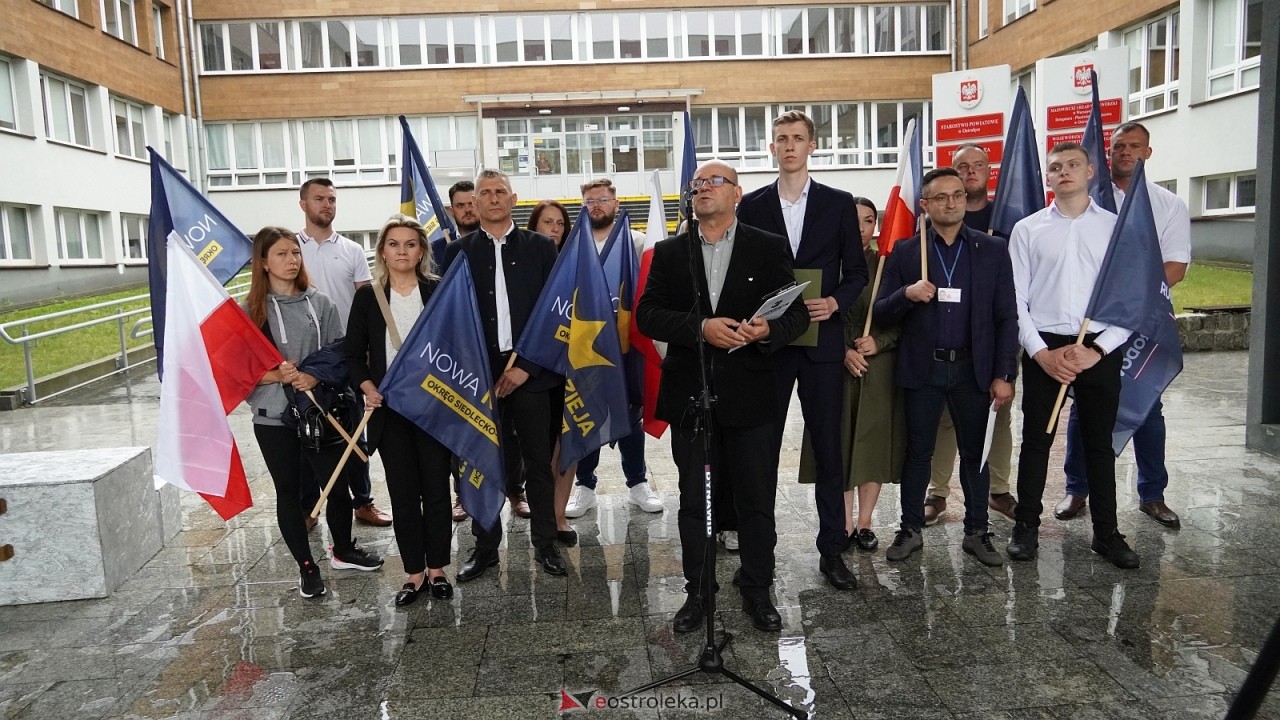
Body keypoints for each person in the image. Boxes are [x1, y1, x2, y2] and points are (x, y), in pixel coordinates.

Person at [636, 160, 809, 633]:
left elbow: (797, 316)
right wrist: (700, 327)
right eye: (697, 184)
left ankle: (757, 588)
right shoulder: (671, 252)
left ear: (737, 193)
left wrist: (767, 330)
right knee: (695, 502)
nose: (703, 188)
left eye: (715, 181)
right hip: (691, 396)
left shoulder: (767, 245)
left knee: (755, 499)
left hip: (752, 395)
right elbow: (647, 315)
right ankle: (698, 592)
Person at [737, 110, 868, 592]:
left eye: (797, 138)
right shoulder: (752, 205)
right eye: (781, 138)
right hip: (768, 345)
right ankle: (757, 557)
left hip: (821, 343)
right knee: (760, 453)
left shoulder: (838, 203)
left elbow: (857, 271)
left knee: (829, 451)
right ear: (771, 147)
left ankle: (833, 550)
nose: (789, 145)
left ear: (812, 146)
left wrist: (835, 302)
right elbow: (741, 273)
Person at [871, 168, 1017, 567]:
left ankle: (977, 532)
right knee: (918, 453)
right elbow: (881, 312)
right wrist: (906, 293)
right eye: (941, 197)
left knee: (975, 455)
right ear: (924, 205)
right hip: (924, 368)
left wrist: (1004, 374)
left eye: (957, 195)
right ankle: (910, 529)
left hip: (974, 369)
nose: (951, 203)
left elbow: (1006, 316)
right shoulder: (906, 252)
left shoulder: (991, 249)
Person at [1007, 142, 1139, 569]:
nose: (1064, 172)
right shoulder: (1027, 229)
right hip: (1045, 345)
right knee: (1036, 441)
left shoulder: (1115, 228)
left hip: (1096, 347)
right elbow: (1015, 299)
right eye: (1055, 167)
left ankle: (1107, 533)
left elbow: (1130, 300)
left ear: (1090, 172)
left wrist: (1098, 350)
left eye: (1073, 165)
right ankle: (1026, 526)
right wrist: (1040, 353)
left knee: (1099, 445)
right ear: (1047, 176)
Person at [1054, 122, 1192, 529]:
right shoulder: (1090, 199)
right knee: (1083, 402)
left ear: (1148, 153)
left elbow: (1176, 266)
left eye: (1135, 146)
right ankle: (1077, 488)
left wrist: (1130, 296)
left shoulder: (1167, 204)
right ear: (1107, 153)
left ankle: (1153, 494)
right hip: (1092, 320)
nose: (1126, 152)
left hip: (1143, 319)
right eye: (1118, 146)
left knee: (1147, 401)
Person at [244, 226, 383, 599]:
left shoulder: (320, 302)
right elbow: (239, 370)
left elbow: (342, 351)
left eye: (295, 253)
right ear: (263, 262)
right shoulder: (251, 313)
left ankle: (344, 550)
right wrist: (276, 375)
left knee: (336, 485)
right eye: (281, 254)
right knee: (289, 491)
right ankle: (307, 567)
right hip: (274, 418)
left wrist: (313, 374)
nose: (291, 260)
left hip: (322, 412)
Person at [443, 169, 565, 580]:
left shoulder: (541, 247)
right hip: (478, 376)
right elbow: (450, 319)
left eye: (500, 192)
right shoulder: (457, 253)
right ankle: (485, 548)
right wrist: (470, 371)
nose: (493, 198)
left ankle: (545, 544)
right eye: (485, 193)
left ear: (513, 200)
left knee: (538, 462)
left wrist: (526, 368)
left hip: (532, 372)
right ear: (474, 202)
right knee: (481, 463)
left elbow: (555, 313)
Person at [345, 215, 453, 607]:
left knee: (437, 491)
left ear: (421, 251)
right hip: (391, 413)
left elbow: (457, 346)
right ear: (383, 252)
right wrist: (368, 387)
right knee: (404, 494)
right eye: (394, 244)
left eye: (410, 243)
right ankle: (414, 573)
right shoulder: (367, 298)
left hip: (434, 410)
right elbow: (353, 355)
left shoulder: (438, 291)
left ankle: (438, 569)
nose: (402, 251)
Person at [798, 197, 904, 551]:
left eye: (869, 220)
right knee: (837, 443)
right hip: (833, 363)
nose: (861, 228)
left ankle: (865, 523)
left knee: (872, 442)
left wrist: (879, 341)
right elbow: (811, 314)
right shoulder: (828, 263)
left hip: (877, 365)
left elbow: (905, 318)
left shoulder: (887, 264)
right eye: (854, 219)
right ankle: (841, 523)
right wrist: (842, 350)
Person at [925, 144, 1018, 524]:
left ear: (989, 171)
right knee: (944, 421)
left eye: (978, 165)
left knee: (998, 416)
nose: (970, 171)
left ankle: (998, 489)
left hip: (991, 339)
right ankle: (938, 492)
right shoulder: (934, 223)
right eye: (962, 167)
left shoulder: (1007, 218)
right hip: (947, 342)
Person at [563, 178, 663, 519]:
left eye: (603, 199)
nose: (596, 205)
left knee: (631, 412)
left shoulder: (637, 242)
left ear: (616, 204)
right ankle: (585, 486)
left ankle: (638, 483)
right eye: (589, 200)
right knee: (586, 412)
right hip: (587, 346)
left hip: (627, 343)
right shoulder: (574, 245)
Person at [297, 178, 393, 529]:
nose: (327, 204)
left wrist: (366, 351)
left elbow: (368, 304)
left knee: (355, 431)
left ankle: (363, 502)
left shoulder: (352, 251)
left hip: (345, 355)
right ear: (303, 204)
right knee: (308, 431)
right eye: (319, 198)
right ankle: (309, 506)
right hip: (305, 356)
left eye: (332, 199)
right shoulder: (291, 249)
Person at [526, 200, 580, 545]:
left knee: (568, 442)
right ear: (534, 226)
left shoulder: (576, 265)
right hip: (535, 371)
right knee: (541, 449)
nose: (554, 229)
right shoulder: (524, 264)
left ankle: (559, 515)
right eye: (547, 222)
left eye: (560, 223)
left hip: (572, 367)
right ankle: (543, 515)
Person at [442, 180, 480, 523]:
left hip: (497, 352)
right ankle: (462, 494)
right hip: (457, 356)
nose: (468, 209)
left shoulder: (497, 244)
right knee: (461, 430)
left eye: (472, 202)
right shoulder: (441, 249)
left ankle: (515, 490)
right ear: (451, 210)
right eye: (461, 205)